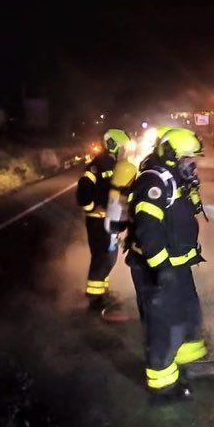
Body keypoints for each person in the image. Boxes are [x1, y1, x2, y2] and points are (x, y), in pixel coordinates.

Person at [125, 127, 214, 399]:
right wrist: (162, 269)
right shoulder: (153, 182)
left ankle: (188, 359)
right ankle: (163, 385)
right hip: (158, 267)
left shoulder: (175, 178)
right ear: (171, 156)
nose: (192, 164)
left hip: (177, 264)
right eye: (188, 159)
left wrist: (193, 190)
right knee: (164, 323)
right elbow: (148, 231)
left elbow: (186, 210)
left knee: (188, 311)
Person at [76, 128, 130, 311]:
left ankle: (102, 291)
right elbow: (83, 190)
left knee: (110, 257)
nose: (124, 150)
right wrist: (92, 207)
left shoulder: (114, 164)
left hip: (109, 220)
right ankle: (94, 298)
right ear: (113, 144)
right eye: (122, 146)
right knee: (102, 257)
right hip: (98, 221)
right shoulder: (96, 165)